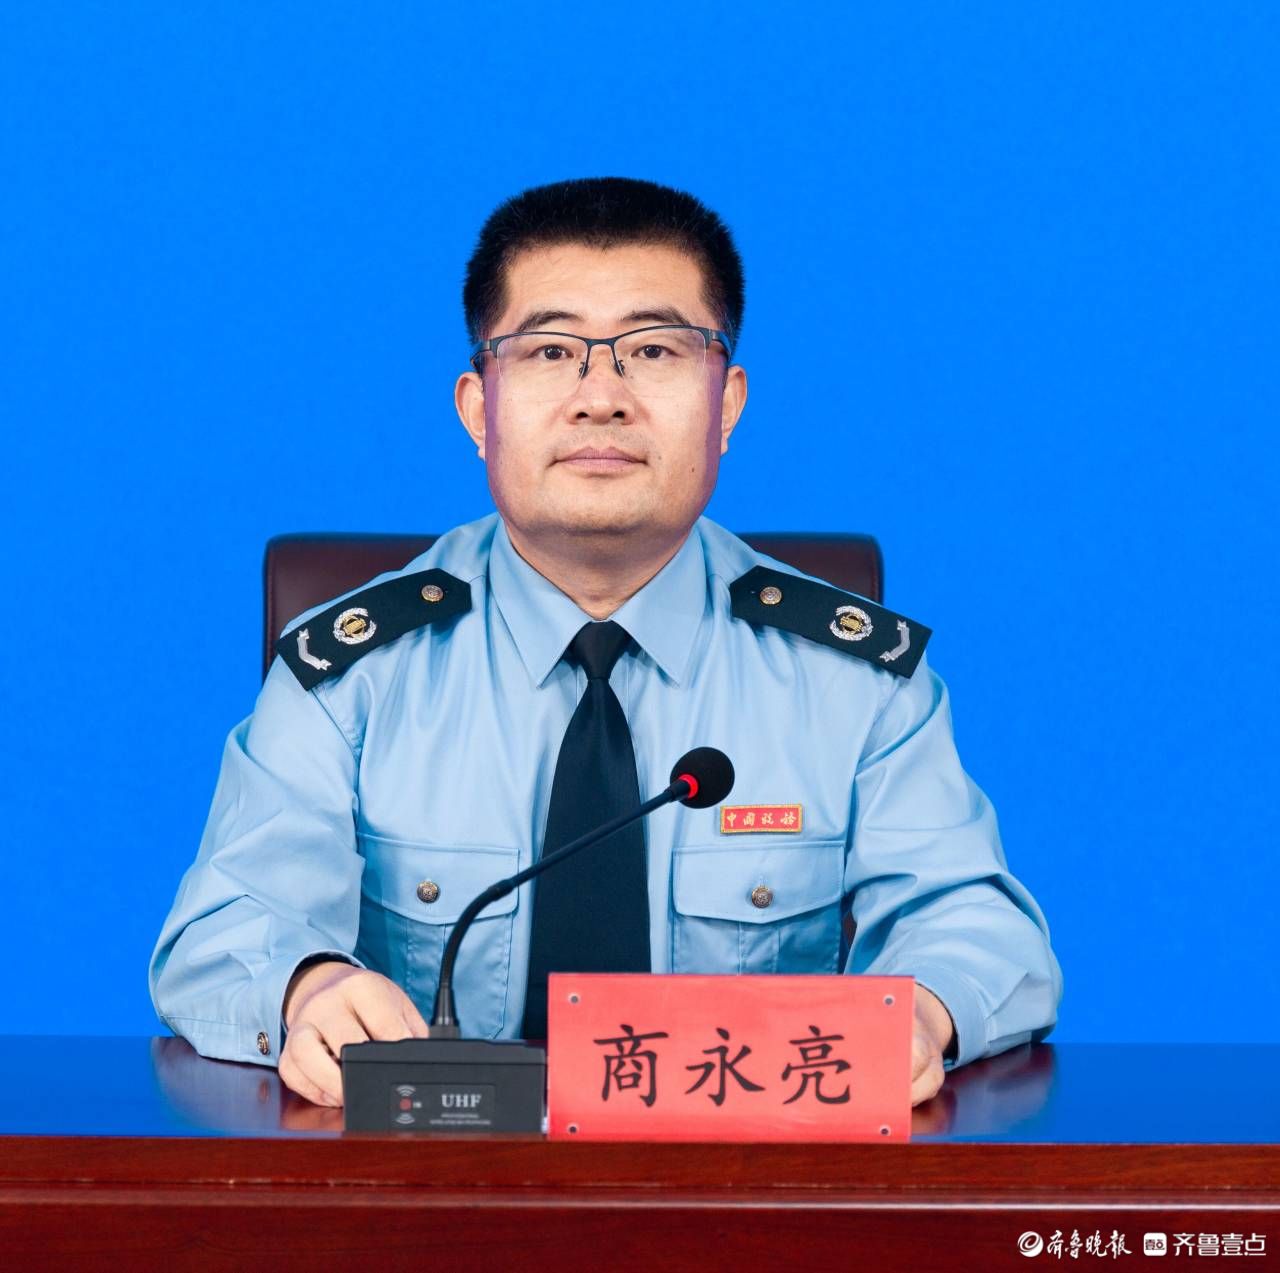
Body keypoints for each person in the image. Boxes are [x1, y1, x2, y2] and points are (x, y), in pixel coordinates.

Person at [149, 176, 1063, 1111]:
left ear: (727, 403)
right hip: (435, 1175)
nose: (601, 398)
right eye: (551, 350)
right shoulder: (353, 675)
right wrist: (307, 989)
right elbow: (224, 926)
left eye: (654, 349)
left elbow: (979, 927)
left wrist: (924, 1011)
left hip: (744, 1180)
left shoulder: (854, 680)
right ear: (478, 407)